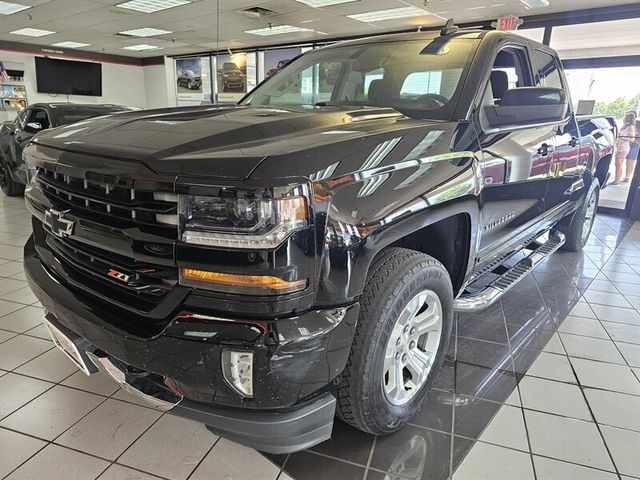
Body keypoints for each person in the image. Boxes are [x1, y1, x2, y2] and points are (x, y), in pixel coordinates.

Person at [614, 111, 637, 184]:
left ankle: (617, 180)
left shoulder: (631, 127)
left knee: (619, 164)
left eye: (626, 117)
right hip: (619, 147)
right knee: (617, 164)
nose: (624, 118)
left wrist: (623, 138)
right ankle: (617, 179)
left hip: (624, 147)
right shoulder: (624, 126)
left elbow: (632, 139)